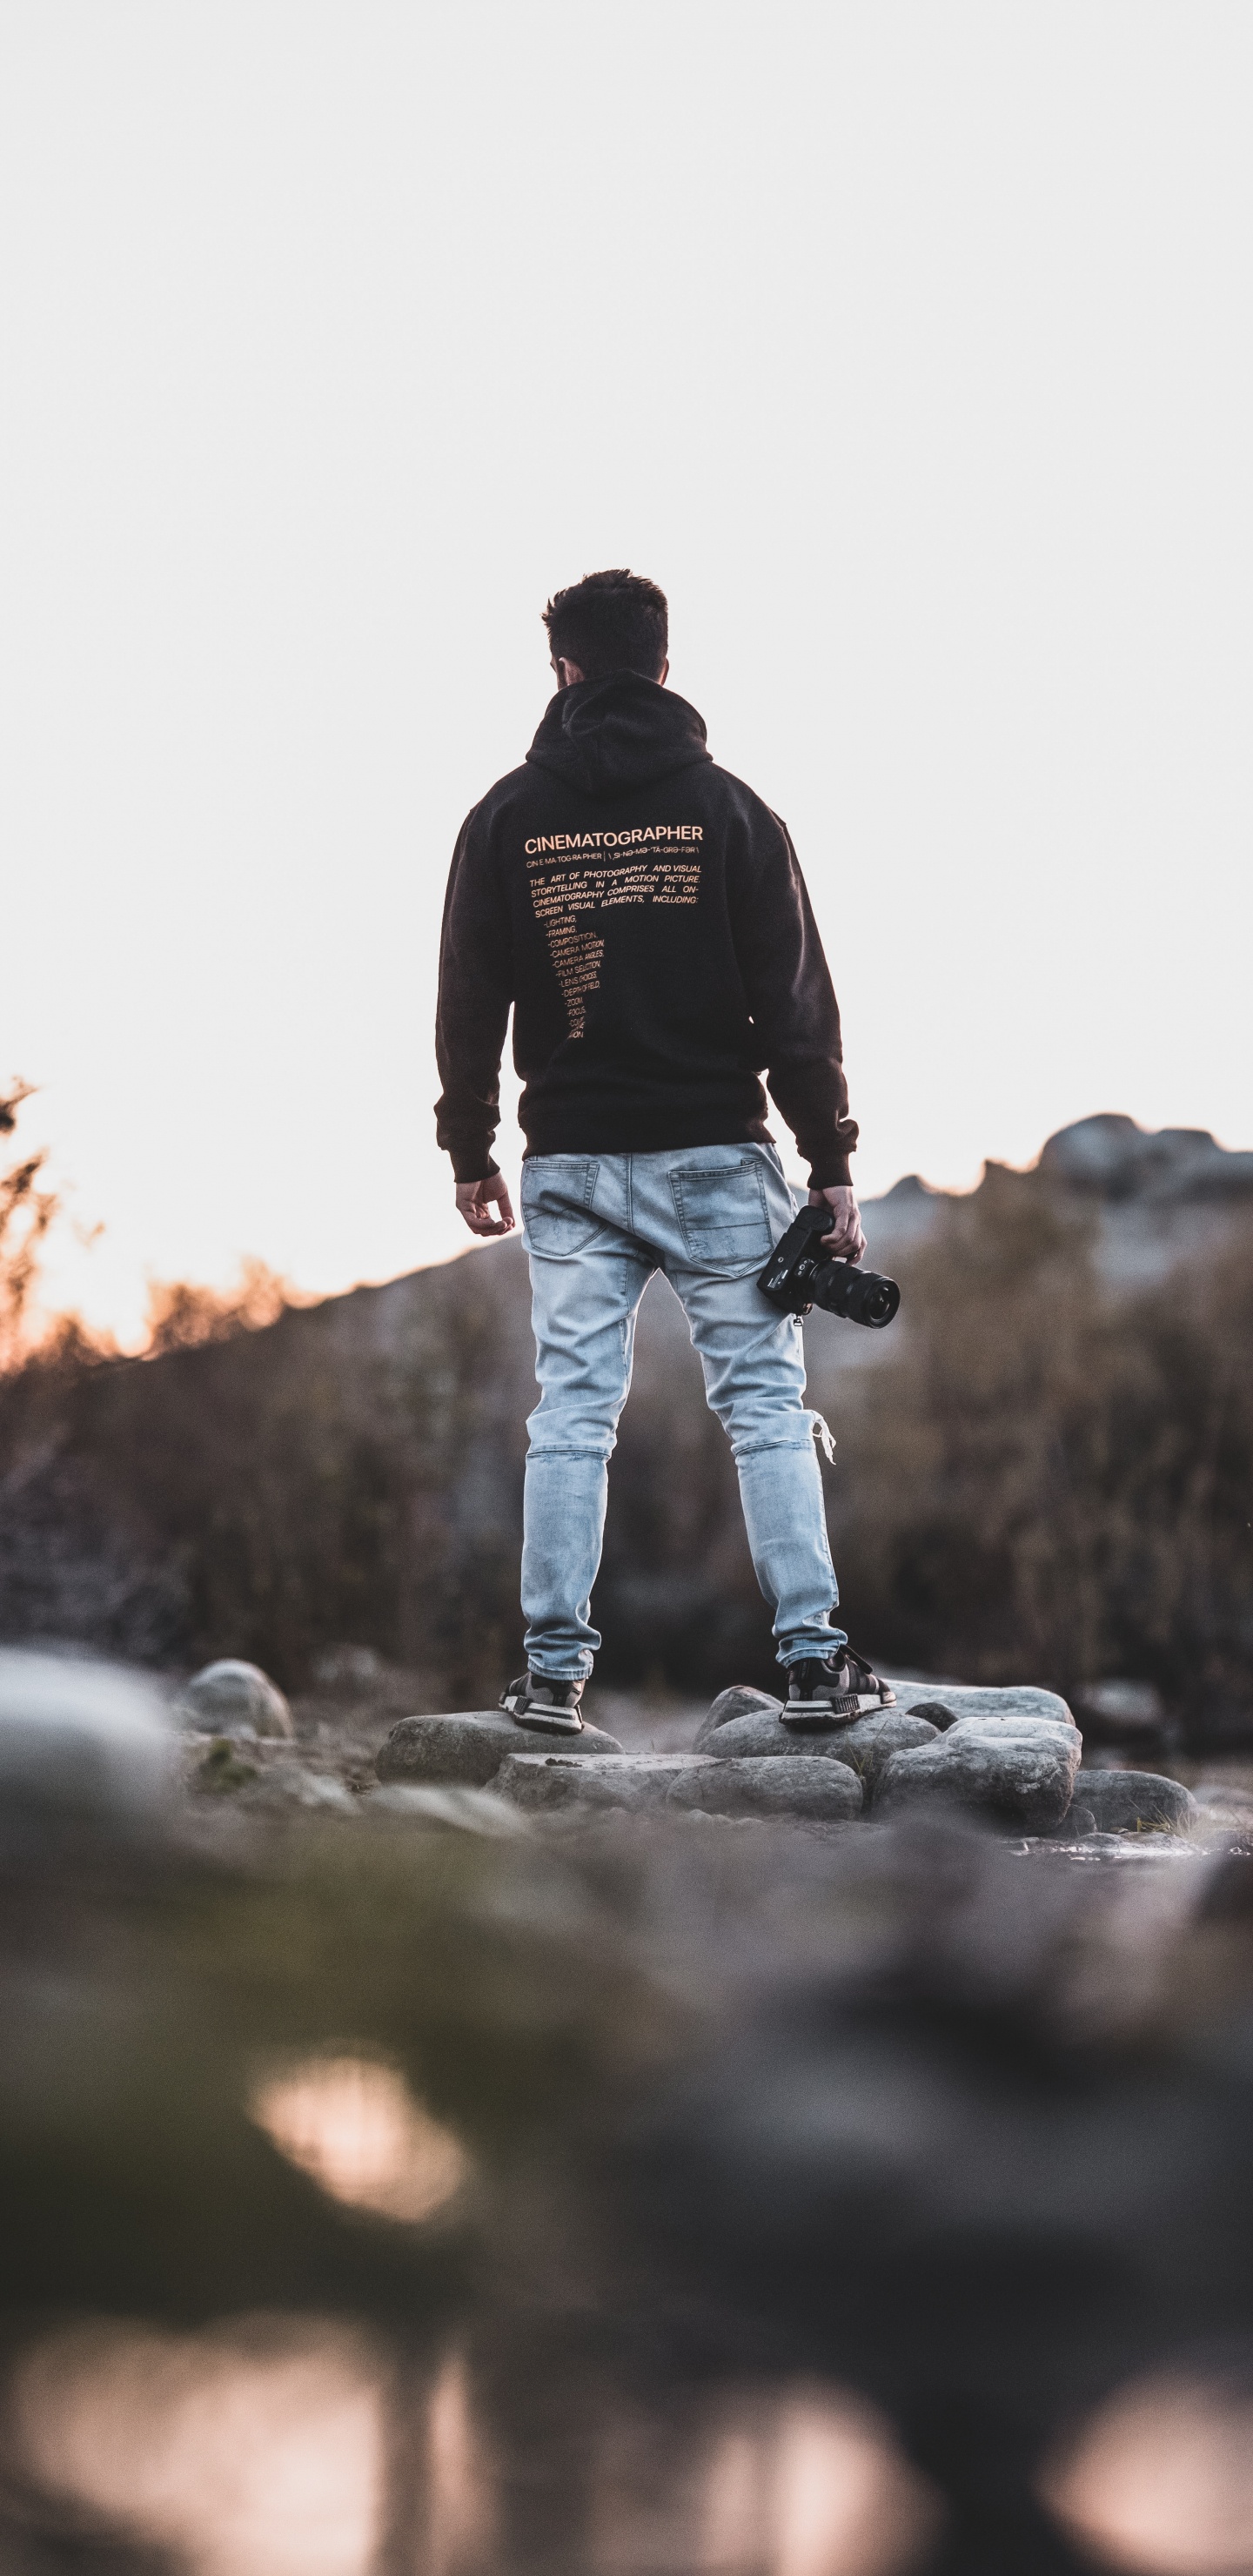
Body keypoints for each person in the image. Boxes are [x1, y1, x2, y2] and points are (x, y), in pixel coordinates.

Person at [435, 569, 894, 1736]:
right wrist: (831, 1160)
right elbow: (797, 1003)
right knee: (766, 1409)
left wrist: (469, 1146)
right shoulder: (731, 811)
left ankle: (550, 1678)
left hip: (571, 1162)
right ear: (665, 666)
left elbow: (467, 997)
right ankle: (813, 1663)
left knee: (572, 1415)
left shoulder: (505, 817)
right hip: (714, 1156)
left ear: (565, 672)